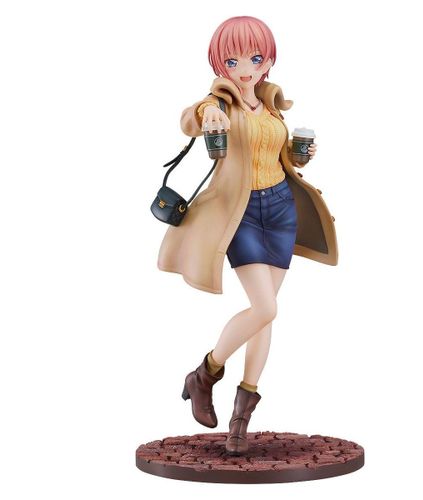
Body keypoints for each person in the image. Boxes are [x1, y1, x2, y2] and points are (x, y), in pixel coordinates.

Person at [158, 16, 337, 456]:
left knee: (265, 315)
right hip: (242, 214)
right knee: (265, 306)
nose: (245, 69)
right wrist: (208, 113)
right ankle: (205, 373)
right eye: (233, 60)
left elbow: (276, 155)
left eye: (255, 58)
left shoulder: (271, 105)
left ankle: (241, 416)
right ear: (221, 63)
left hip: (280, 210)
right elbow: (190, 119)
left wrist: (299, 154)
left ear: (268, 60)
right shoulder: (218, 103)